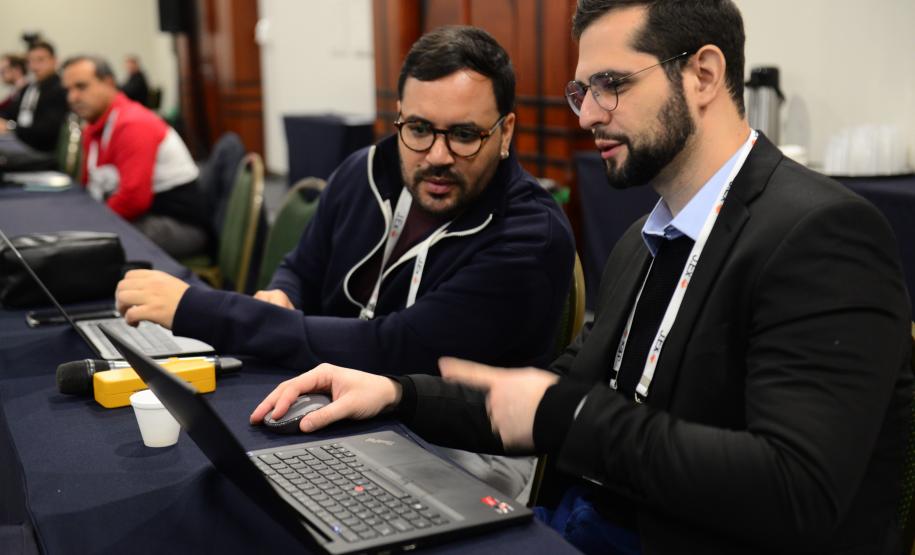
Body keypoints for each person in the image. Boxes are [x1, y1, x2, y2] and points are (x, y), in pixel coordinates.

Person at [249, 2, 913, 554]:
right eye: (581, 90)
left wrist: (563, 413)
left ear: (703, 74)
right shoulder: (641, 238)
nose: (587, 113)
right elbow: (549, 392)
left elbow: (794, 490)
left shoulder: (821, 235)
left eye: (612, 85)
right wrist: (395, 393)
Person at [114, 27, 575, 495]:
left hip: (457, 455)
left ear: (505, 132)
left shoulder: (530, 237)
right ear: (399, 118)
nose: (437, 155)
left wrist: (202, 310)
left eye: (463, 135)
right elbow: (301, 266)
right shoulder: (364, 171)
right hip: (336, 409)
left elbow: (394, 350)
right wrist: (283, 294)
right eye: (418, 129)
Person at [61, 55, 209, 258]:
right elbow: (90, 186)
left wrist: (88, 224)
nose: (72, 97)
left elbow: (133, 200)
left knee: (84, 250)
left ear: (109, 83)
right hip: (142, 216)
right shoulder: (94, 128)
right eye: (68, 90)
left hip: (179, 226)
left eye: (81, 87)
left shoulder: (133, 123)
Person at [0, 40, 68, 153]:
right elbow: (10, 112)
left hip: (41, 150)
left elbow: (48, 132)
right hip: (20, 141)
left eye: (40, 60)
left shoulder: (60, 89)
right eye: (30, 61)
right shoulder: (30, 88)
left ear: (54, 60)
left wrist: (10, 128)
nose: (34, 66)